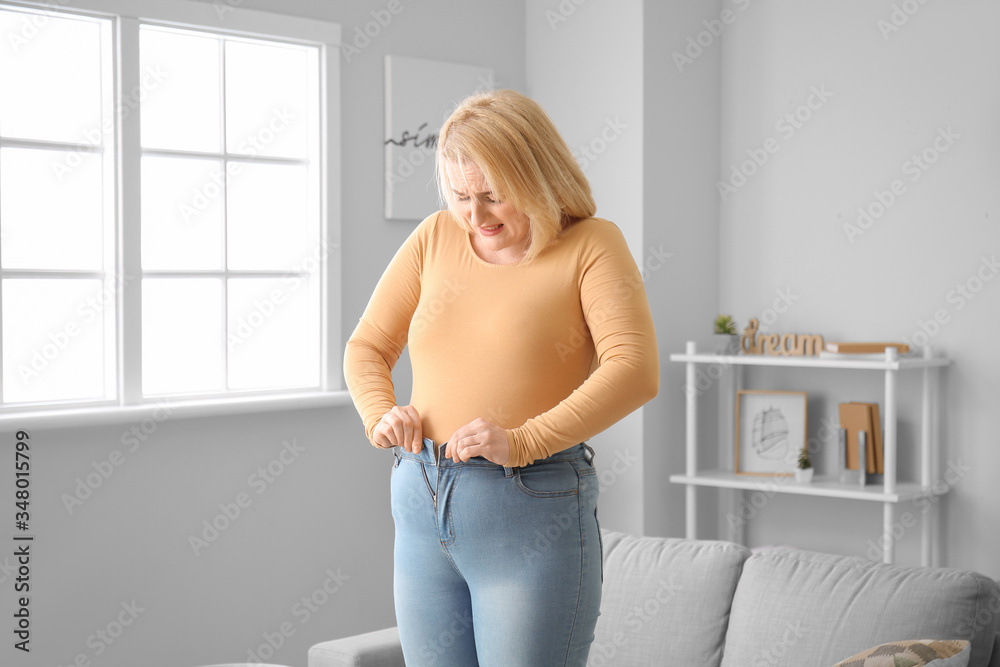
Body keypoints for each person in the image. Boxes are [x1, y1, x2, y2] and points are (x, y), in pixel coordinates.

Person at [344, 89, 658, 666]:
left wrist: (523, 440)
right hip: (419, 499)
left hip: (529, 509)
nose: (476, 216)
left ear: (539, 176)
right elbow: (367, 346)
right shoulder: (435, 237)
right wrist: (379, 412)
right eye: (461, 196)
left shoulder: (591, 245)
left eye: (493, 196)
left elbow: (633, 369)